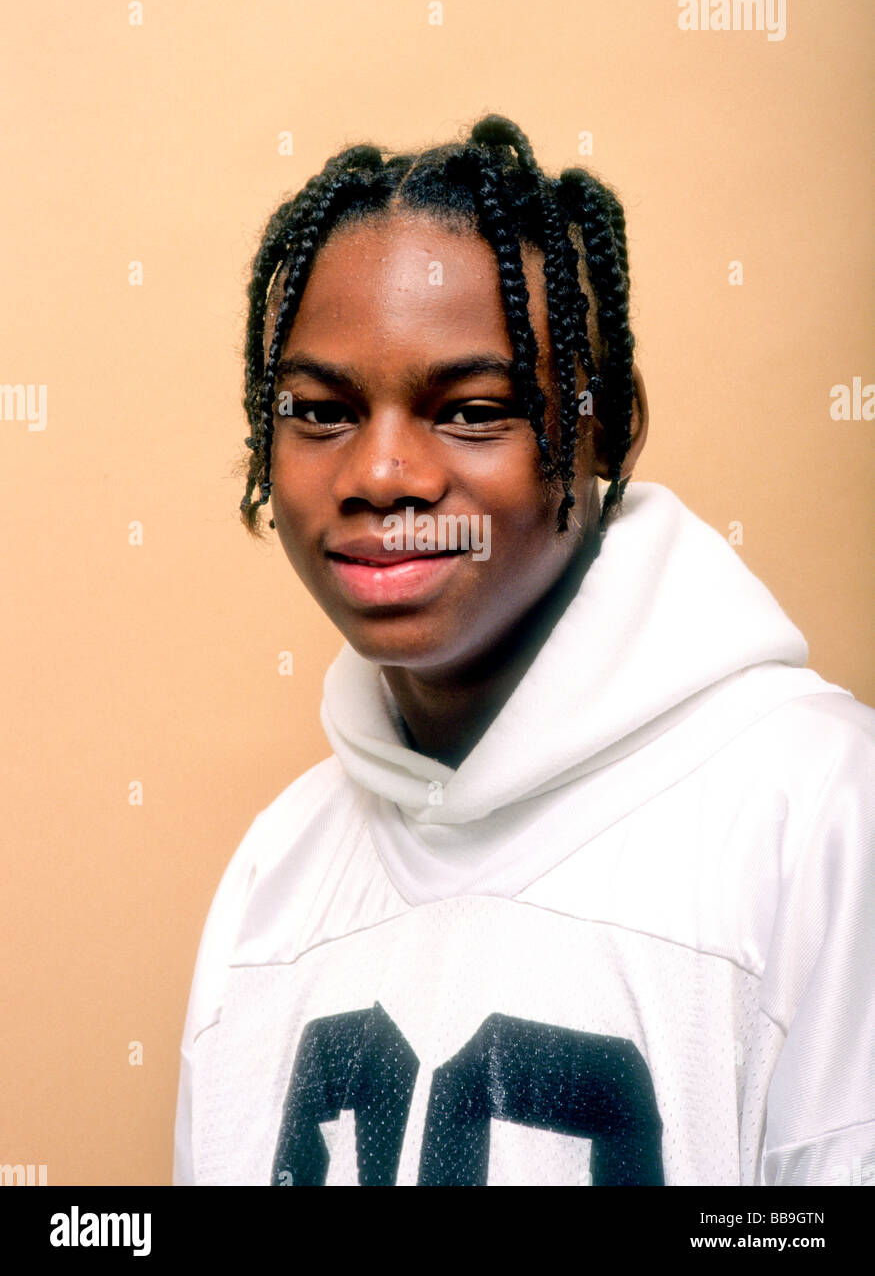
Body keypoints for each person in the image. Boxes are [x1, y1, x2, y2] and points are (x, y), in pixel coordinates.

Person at [173, 115, 874, 1186]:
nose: (382, 473)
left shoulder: (820, 809)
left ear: (603, 433)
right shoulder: (278, 868)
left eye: (471, 411)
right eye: (320, 411)